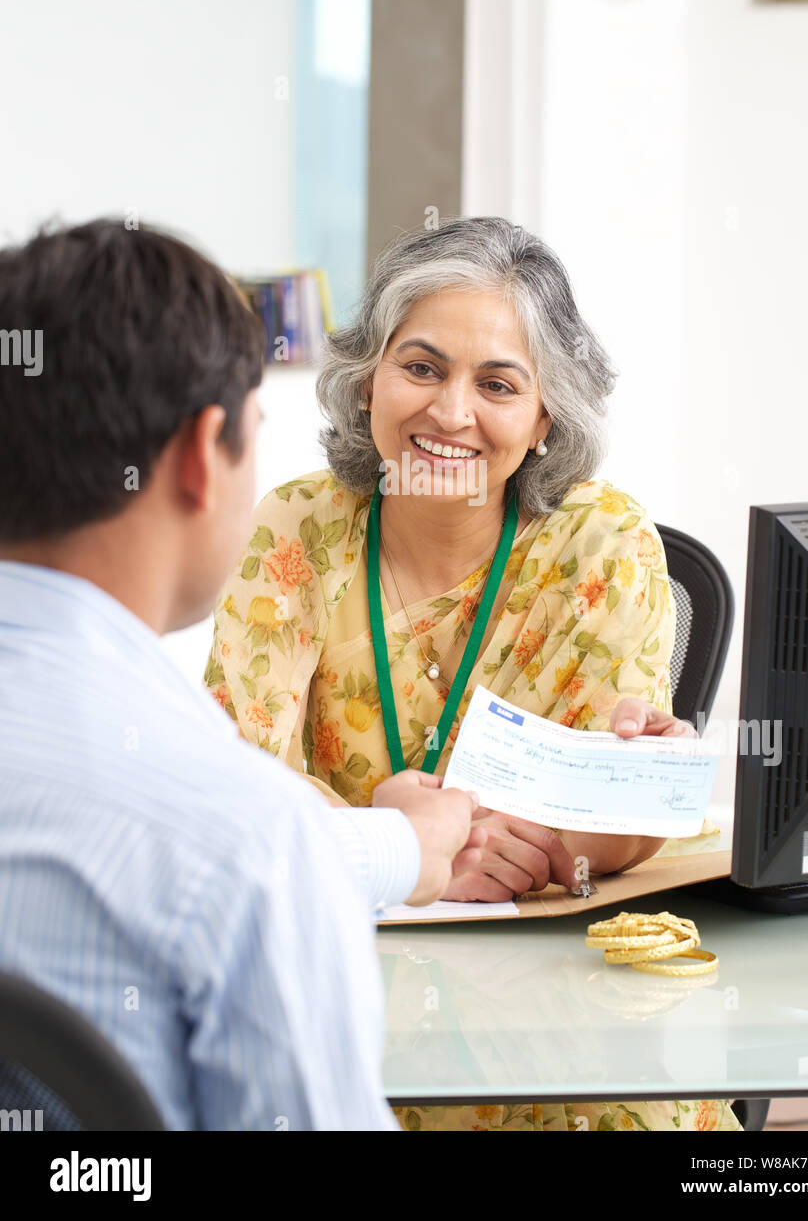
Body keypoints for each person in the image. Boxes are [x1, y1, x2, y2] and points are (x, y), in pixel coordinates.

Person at [207, 215, 742, 1132]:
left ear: (545, 419)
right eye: (420, 367)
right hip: (345, 1006)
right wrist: (413, 841)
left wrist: (423, 839)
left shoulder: (600, 546)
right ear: (367, 377)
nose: (450, 413)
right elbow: (232, 784)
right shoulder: (296, 527)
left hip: (560, 1019)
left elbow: (591, 841)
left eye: (497, 384)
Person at [0, 217, 484, 1131]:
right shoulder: (242, 839)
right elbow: (223, 857)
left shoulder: (237, 840)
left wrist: (392, 845)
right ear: (199, 455)